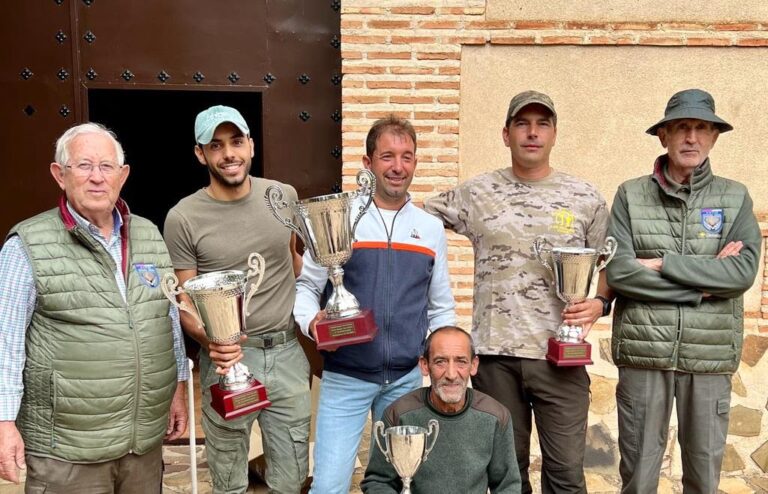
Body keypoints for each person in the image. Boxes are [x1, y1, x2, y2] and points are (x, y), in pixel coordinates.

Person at [424, 90, 611, 493]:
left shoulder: (585, 198)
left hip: (560, 359)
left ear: (554, 134)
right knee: (507, 475)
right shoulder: (477, 193)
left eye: (542, 124)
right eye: (522, 124)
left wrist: (600, 303)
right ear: (506, 134)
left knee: (566, 476)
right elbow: (417, 218)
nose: (532, 133)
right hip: (496, 360)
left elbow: (608, 260)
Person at [0, 123, 189, 492]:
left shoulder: (148, 234)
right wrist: (4, 422)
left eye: (106, 167)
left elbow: (165, 318)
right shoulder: (26, 245)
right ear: (60, 174)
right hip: (67, 451)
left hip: (141, 445)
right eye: (84, 166)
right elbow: (4, 342)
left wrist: (177, 388)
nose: (97, 177)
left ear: (123, 175)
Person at [606, 88, 761, 493]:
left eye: (701, 128)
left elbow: (741, 273)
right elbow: (619, 272)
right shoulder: (630, 194)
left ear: (714, 137)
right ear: (664, 136)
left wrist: (663, 263)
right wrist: (700, 288)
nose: (691, 138)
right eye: (681, 128)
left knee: (703, 477)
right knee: (639, 477)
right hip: (644, 354)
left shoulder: (734, 197)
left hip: (708, 357)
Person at [294, 115, 456, 494]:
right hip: (345, 379)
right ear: (368, 163)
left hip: (405, 381)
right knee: (328, 487)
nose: (398, 167)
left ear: (415, 162)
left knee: (400, 485)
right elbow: (307, 288)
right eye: (387, 156)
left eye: (406, 157)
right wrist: (312, 323)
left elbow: (441, 307)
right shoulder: (340, 218)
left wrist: (440, 361)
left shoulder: (430, 229)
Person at [164, 105, 309, 493]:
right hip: (225, 362)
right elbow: (185, 303)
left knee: (291, 479)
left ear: (251, 145)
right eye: (216, 145)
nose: (229, 153)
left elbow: (295, 265)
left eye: (236, 141)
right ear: (201, 154)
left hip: (286, 353)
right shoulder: (183, 217)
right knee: (228, 480)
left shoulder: (282, 196)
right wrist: (214, 341)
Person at [361, 326, 522, 494]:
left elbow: (508, 486)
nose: (451, 374)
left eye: (461, 361)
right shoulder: (399, 414)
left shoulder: (495, 416)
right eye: (440, 362)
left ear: (473, 365)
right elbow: (377, 481)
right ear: (425, 365)